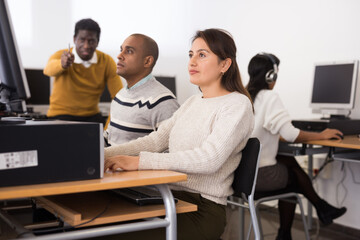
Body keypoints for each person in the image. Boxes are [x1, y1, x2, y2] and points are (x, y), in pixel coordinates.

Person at [101, 29, 254, 240]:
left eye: (202, 55)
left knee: (112, 234)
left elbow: (209, 158)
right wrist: (103, 154)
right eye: (191, 55)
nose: (192, 62)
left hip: (202, 209)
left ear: (224, 65)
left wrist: (138, 162)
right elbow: (156, 140)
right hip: (167, 197)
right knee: (99, 222)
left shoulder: (237, 105)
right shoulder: (192, 103)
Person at [247, 53, 347, 240]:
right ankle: (317, 209)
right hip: (259, 178)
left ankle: (316, 213)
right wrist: (321, 135)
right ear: (271, 76)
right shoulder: (269, 97)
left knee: (288, 161)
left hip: (241, 178)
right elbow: (290, 134)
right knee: (295, 180)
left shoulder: (244, 96)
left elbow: (269, 132)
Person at [104, 34, 179, 145]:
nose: (119, 55)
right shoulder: (120, 95)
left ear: (147, 61)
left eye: (129, 51)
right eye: (121, 50)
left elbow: (171, 151)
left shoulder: (164, 102)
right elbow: (110, 137)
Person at [43, 18, 123, 124]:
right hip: (60, 115)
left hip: (91, 116)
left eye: (91, 41)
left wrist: (108, 128)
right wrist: (62, 64)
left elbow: (118, 97)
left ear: (97, 42)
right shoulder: (60, 55)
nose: (86, 46)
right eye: (82, 40)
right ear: (74, 39)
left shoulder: (106, 61)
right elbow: (48, 71)